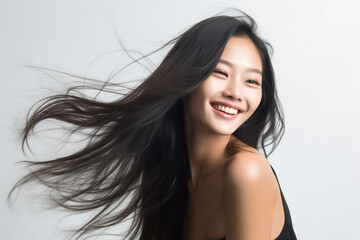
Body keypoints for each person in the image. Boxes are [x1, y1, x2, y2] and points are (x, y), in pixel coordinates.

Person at [9, 10, 297, 240]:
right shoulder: (170, 174)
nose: (236, 92)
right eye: (220, 72)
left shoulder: (246, 173)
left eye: (252, 81)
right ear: (187, 76)